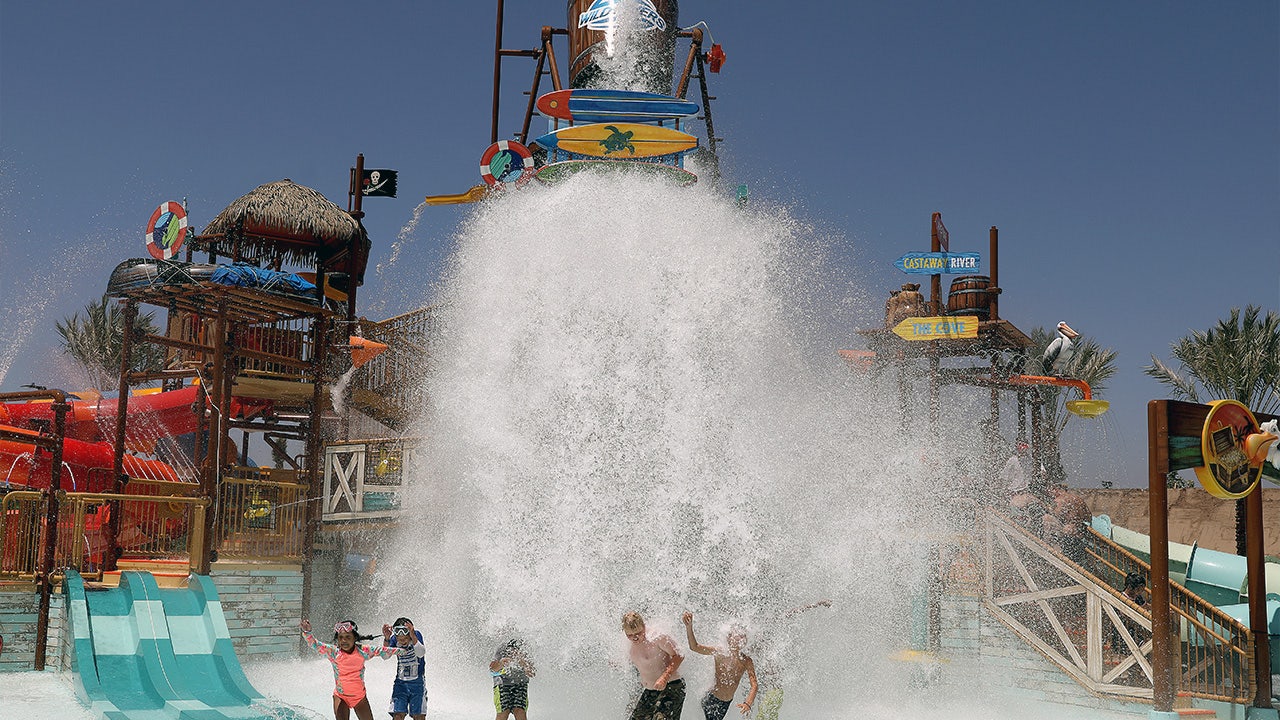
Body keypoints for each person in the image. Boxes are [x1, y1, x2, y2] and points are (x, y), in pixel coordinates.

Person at [301, 619, 398, 720]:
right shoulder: (333, 652)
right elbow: (315, 644)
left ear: (355, 638)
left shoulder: (363, 650)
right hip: (341, 697)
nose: (344, 640)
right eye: (341, 637)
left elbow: (385, 653)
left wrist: (396, 643)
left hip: (360, 698)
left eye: (348, 637)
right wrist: (307, 632)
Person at [681, 612, 757, 719]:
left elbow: (754, 685)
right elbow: (695, 647)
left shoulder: (746, 661)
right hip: (712, 699)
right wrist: (689, 627)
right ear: (728, 638)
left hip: (726, 702)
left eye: (743, 636)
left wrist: (748, 703)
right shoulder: (720, 653)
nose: (740, 639)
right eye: (737, 636)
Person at [623, 611, 685, 720]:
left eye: (638, 633)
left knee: (660, 718)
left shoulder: (657, 637)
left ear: (644, 626)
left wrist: (664, 677)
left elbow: (679, 655)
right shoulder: (627, 644)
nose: (635, 638)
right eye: (630, 635)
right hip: (650, 691)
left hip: (671, 686)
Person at [382, 617, 427, 720]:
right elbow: (385, 656)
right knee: (397, 715)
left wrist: (413, 635)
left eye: (405, 638)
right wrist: (387, 639)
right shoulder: (393, 639)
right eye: (400, 639)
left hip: (418, 683)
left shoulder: (416, 635)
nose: (403, 641)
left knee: (418, 716)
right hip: (400, 683)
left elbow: (421, 653)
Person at [1043, 482, 1091, 563]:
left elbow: (1054, 515)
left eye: (1050, 491)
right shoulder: (1078, 498)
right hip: (1081, 532)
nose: (1049, 494)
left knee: (1047, 519)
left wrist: (1044, 506)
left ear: (1055, 489)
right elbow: (1089, 517)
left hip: (1069, 534)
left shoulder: (1059, 500)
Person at [490, 637, 536, 720]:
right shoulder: (502, 648)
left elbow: (532, 673)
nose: (513, 653)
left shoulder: (525, 648)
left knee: (520, 711)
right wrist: (501, 663)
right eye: (511, 651)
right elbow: (492, 669)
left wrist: (523, 663)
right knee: (503, 712)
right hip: (502, 683)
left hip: (521, 683)